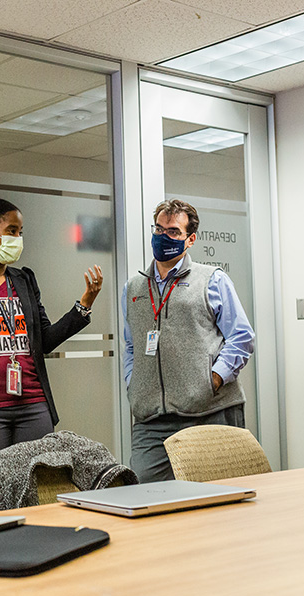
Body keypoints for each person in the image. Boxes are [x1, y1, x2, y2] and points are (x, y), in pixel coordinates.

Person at [0, 197, 103, 504]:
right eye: (12, 230)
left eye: (21, 231)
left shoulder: (23, 280)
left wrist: (84, 306)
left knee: (43, 497)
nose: (18, 239)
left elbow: (45, 340)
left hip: (34, 405)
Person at [121, 198, 255, 483]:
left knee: (216, 498)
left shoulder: (212, 280)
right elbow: (131, 344)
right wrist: (134, 385)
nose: (162, 237)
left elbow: (241, 337)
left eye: (172, 231)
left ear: (190, 239)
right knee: (146, 491)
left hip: (208, 411)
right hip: (151, 418)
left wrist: (213, 380)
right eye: (158, 229)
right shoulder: (133, 287)